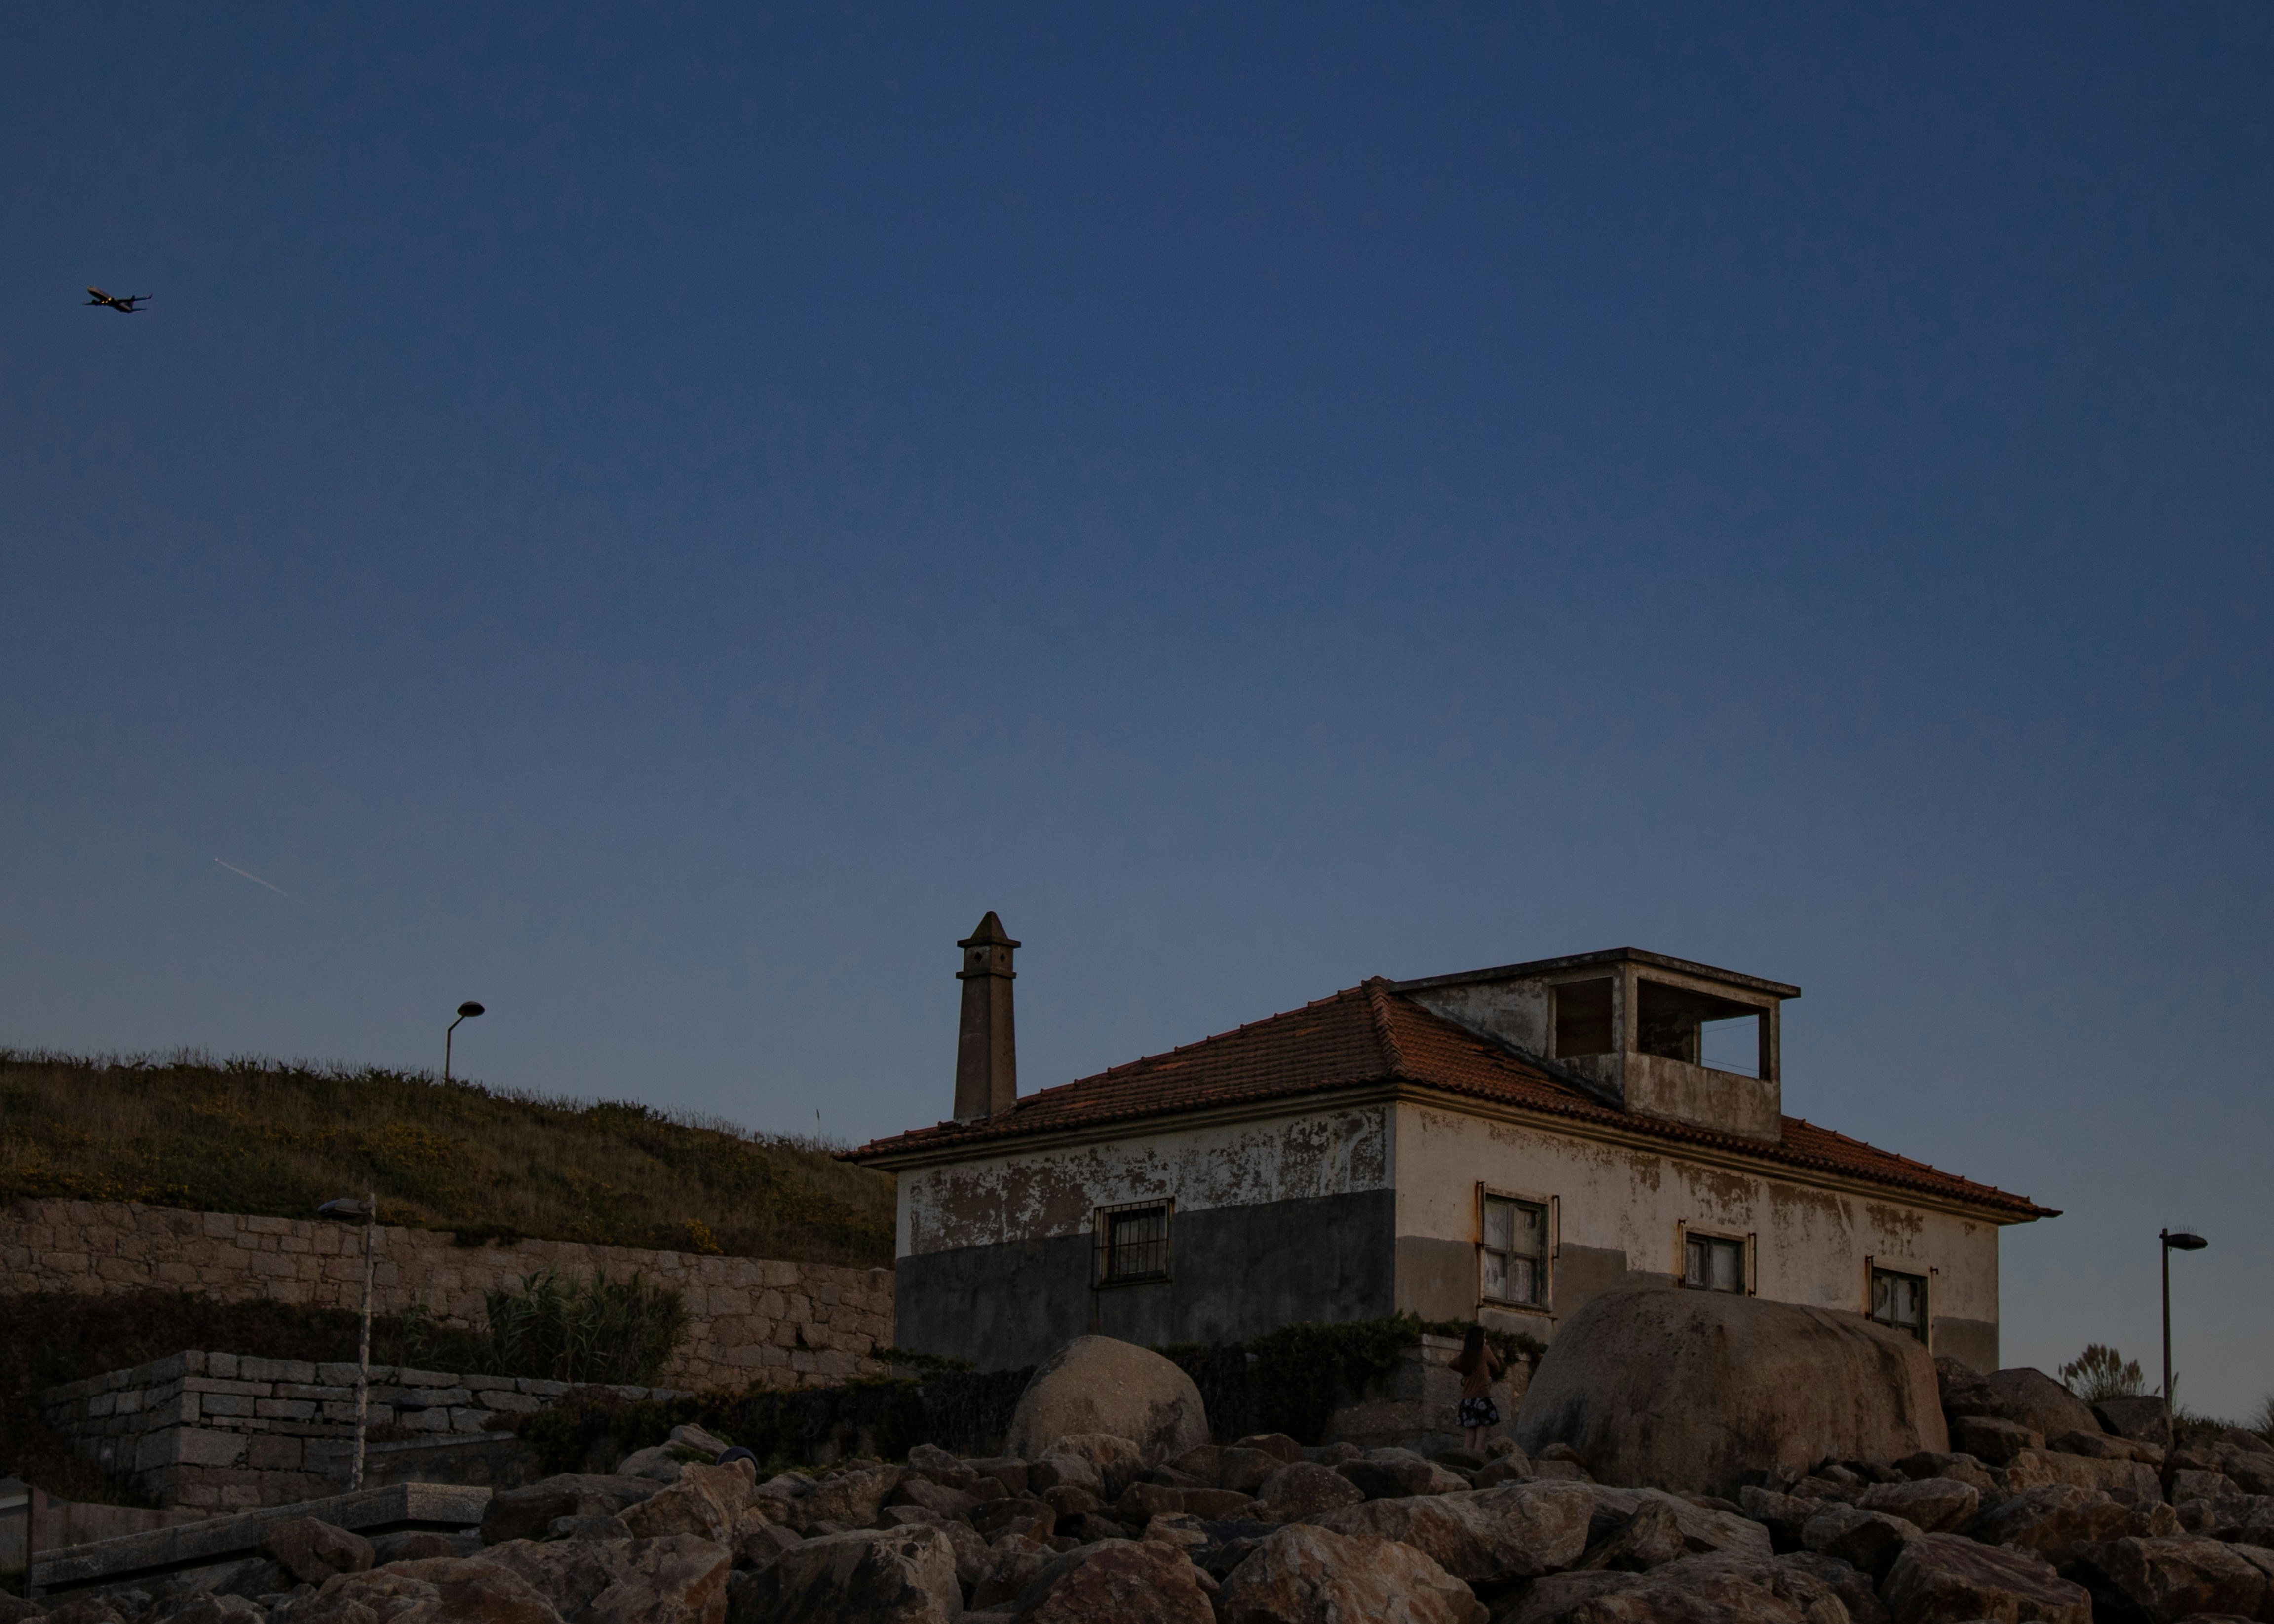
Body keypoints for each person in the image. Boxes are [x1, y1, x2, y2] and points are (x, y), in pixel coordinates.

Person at [1452, 1324, 1502, 1452]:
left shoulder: (1465, 1356)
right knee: (1481, 1442)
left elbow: (1451, 1364)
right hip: (1482, 1400)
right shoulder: (1484, 1351)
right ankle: (1477, 1469)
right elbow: (1497, 1367)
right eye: (1484, 1337)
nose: (1485, 1340)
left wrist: (1465, 1373)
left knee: (1469, 1441)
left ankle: (1465, 1466)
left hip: (1467, 1403)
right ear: (1480, 1339)